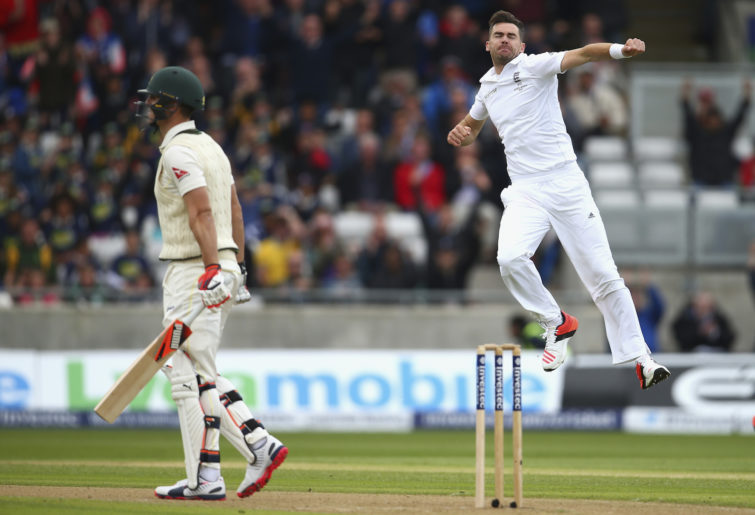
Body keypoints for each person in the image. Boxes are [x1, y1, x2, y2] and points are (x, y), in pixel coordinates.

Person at [446, 10, 670, 389]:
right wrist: (462, 134)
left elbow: (583, 53)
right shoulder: (485, 87)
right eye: (498, 35)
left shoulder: (536, 67)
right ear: (487, 44)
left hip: (565, 182)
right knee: (509, 259)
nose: (504, 40)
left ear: (521, 44)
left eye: (511, 36)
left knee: (603, 276)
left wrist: (620, 50)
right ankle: (556, 322)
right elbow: (475, 125)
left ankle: (643, 359)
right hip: (525, 190)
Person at [134, 66, 287, 500]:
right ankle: (225, 462)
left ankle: (246, 451)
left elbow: (203, 213)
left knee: (190, 371)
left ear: (172, 104)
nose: (147, 106)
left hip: (193, 270)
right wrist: (235, 265)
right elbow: (234, 210)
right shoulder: (213, 148)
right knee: (191, 368)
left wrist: (211, 269)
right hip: (218, 264)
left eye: (154, 99)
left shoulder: (179, 153)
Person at [681, 79, 751, 187]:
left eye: (716, 120)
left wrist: (747, 94)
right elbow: (687, 114)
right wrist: (685, 93)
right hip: (700, 181)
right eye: (710, 120)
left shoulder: (726, 132)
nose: (713, 123)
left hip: (725, 181)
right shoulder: (697, 133)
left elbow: (740, 116)